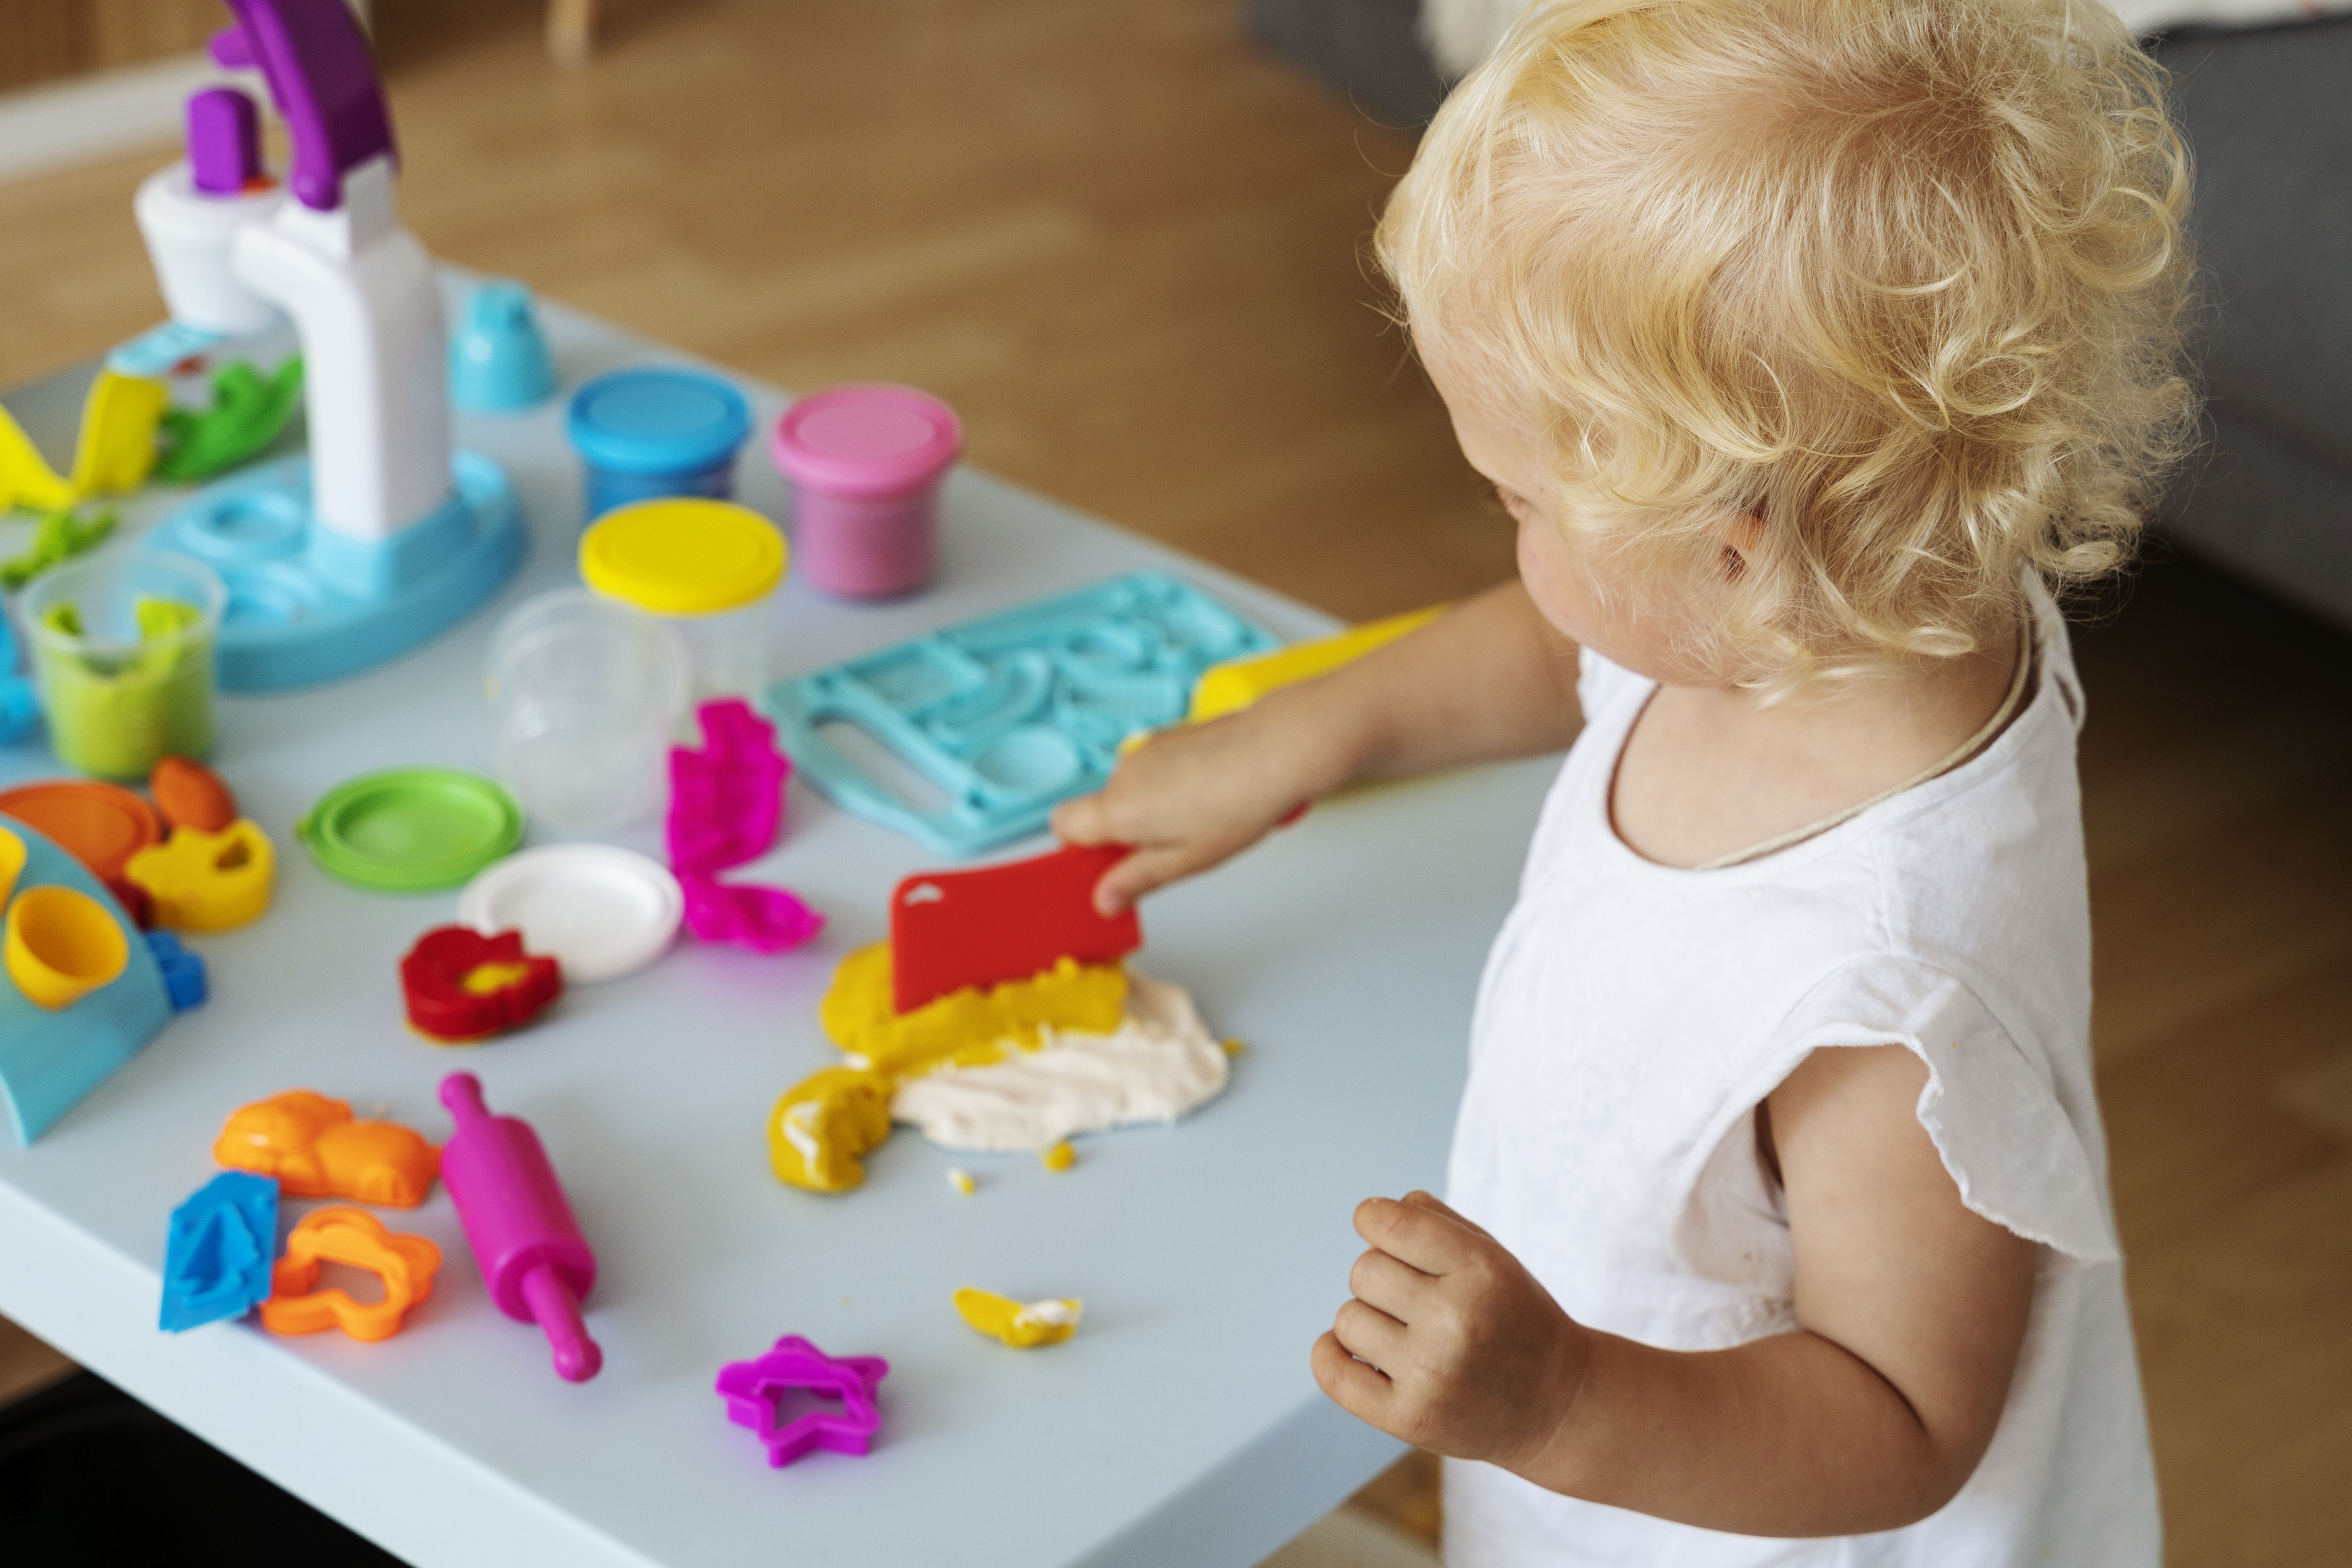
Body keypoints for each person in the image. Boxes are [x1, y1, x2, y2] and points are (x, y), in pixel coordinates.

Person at [1052, 0, 2196, 1561]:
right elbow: (1572, 642)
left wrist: (1555, 1399)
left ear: (1734, 551)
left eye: (1519, 495)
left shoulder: (1884, 992)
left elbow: (1908, 1419)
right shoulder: (1827, 609)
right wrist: (1304, 733)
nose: (1507, 535)